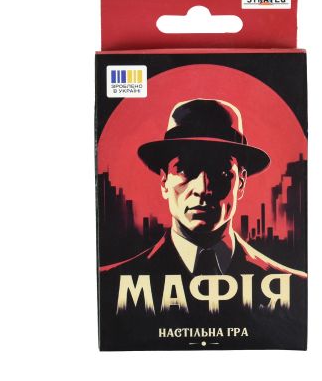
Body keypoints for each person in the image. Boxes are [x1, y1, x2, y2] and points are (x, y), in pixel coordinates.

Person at [100, 98, 307, 279]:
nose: (203, 188)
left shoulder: (292, 284)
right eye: (185, 170)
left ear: (241, 182)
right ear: (164, 181)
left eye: (222, 172)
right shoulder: (112, 282)